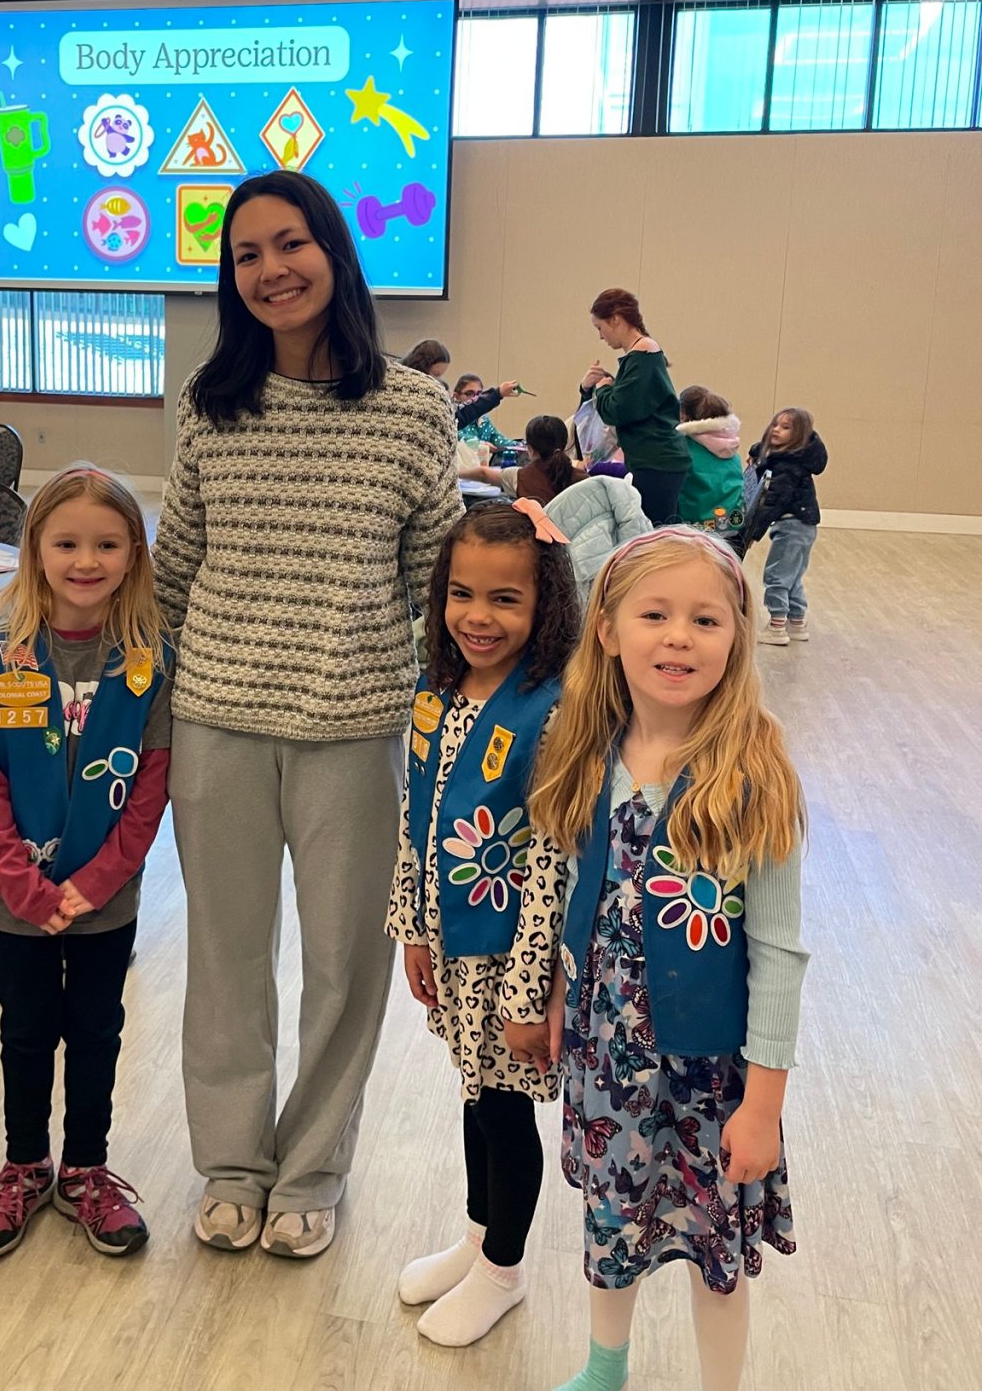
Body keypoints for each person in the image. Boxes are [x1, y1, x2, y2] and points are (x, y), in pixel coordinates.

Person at [153, 170, 461, 1261]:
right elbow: (176, 566)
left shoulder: (413, 410)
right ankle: (232, 1165)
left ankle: (313, 1168)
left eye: (289, 243)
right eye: (245, 254)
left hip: (357, 727)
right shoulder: (209, 402)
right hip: (218, 722)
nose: (270, 269)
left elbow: (434, 584)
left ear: (333, 250)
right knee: (226, 959)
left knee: (344, 968)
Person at [502, 528, 808, 1391]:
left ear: (737, 636)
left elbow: (779, 953)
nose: (679, 637)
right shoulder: (586, 752)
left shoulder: (753, 770)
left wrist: (763, 1106)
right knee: (611, 1222)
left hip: (711, 1076)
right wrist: (558, 994)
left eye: (706, 620)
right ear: (607, 629)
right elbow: (576, 895)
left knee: (717, 1252)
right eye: (655, 615)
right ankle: (605, 1368)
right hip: (607, 1056)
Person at [0, 466, 172, 1261]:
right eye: (67, 543)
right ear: (35, 550)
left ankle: (86, 1169)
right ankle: (24, 1166)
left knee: (96, 1032)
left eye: (107, 545)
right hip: (20, 903)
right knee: (24, 1033)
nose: (87, 561)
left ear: (133, 554)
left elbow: (149, 789)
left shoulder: (148, 662)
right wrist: (21, 885)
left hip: (103, 903)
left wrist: (96, 882)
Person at [387, 500, 580, 1347]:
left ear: (546, 606)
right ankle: (477, 1236)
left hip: (511, 960)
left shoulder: (554, 711)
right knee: (473, 1092)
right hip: (451, 942)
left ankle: (504, 1268)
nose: (478, 616)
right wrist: (412, 927)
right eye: (462, 594)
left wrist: (529, 994)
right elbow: (415, 816)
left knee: (504, 1108)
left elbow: (554, 862)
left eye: (506, 599)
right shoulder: (437, 688)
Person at [579, 287, 689, 525]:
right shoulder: (642, 355)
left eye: (600, 328)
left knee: (652, 536)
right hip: (656, 461)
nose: (601, 337)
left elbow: (616, 411)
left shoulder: (643, 355)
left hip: (656, 462)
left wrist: (603, 388)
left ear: (615, 319)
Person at [740, 407, 827, 646]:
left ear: (799, 436)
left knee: (776, 575)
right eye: (775, 425)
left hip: (792, 527)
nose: (777, 430)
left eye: (786, 427)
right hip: (803, 526)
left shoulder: (788, 468)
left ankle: (777, 626)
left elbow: (772, 501)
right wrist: (757, 455)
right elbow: (764, 452)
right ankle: (796, 622)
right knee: (793, 576)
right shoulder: (788, 459)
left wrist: (751, 532)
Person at [462, 415, 586, 502]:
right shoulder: (583, 478)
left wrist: (456, 473)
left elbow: (483, 474)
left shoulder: (518, 476)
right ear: (565, 443)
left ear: (530, 449)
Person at [676, 386, 744, 537]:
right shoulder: (731, 447)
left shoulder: (684, 447)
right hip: (733, 526)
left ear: (684, 416)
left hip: (695, 529)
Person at [454, 371, 522, 439]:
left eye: (479, 394)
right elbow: (460, 437)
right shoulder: (454, 420)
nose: (475, 398)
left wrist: (522, 444)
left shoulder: (483, 420)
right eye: (469, 393)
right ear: (456, 396)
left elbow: (498, 438)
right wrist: (480, 444)